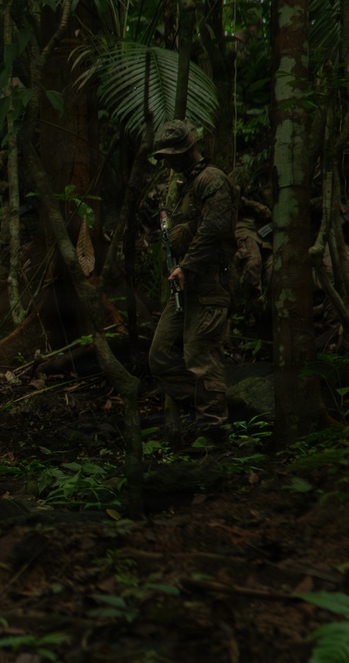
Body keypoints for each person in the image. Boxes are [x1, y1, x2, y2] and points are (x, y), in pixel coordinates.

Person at [148, 120, 237, 442]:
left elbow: (214, 231)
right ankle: (205, 409)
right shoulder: (179, 186)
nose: (170, 160)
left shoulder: (212, 180)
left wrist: (187, 267)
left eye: (175, 153)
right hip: (182, 284)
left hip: (209, 282)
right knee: (160, 356)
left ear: (190, 148)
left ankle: (214, 431)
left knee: (199, 355)